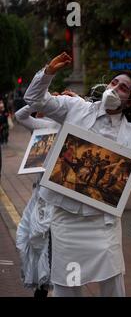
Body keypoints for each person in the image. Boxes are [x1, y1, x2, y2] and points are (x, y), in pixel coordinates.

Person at [23, 52, 131, 297]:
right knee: (67, 283)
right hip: (67, 218)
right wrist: (48, 72)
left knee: (112, 283)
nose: (115, 88)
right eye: (114, 83)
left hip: (102, 223)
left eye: (124, 88)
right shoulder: (76, 107)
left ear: (129, 101)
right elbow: (33, 99)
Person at [15, 104, 60, 298]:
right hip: (41, 195)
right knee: (35, 239)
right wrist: (40, 100)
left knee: (54, 245)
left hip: (63, 200)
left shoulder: (79, 125)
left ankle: (51, 287)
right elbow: (20, 115)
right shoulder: (48, 125)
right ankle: (40, 289)